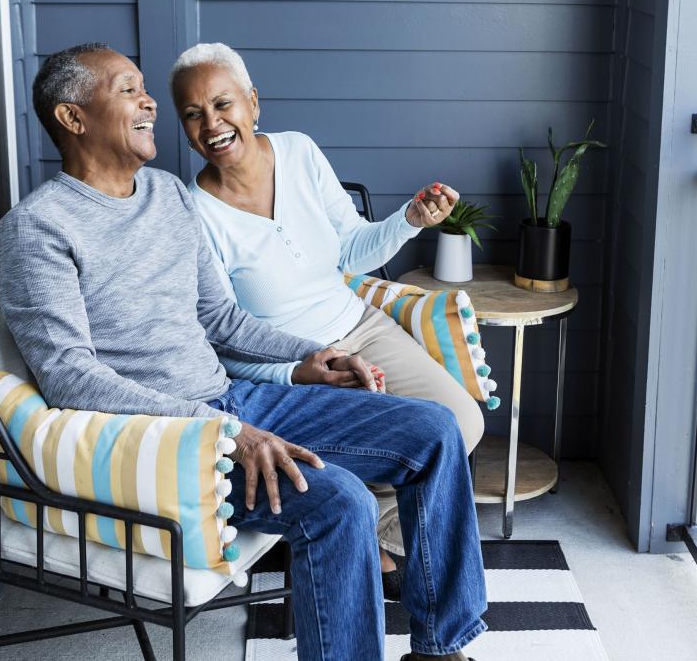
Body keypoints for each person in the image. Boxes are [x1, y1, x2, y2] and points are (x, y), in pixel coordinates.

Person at [0, 42, 486, 661]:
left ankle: (439, 650)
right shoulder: (38, 228)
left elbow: (221, 318)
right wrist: (225, 430)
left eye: (145, 88)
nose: (150, 102)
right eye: (127, 90)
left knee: (436, 430)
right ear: (73, 118)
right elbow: (70, 378)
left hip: (233, 402)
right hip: (168, 440)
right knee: (340, 504)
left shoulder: (167, 196)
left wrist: (317, 353)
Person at [170, 43, 485, 595]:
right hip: (292, 367)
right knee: (398, 450)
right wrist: (299, 369)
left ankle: (380, 541)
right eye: (194, 115)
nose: (212, 124)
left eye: (223, 105)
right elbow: (221, 338)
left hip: (360, 325)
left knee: (463, 423)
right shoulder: (192, 212)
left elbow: (350, 252)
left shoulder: (299, 152)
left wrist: (408, 220)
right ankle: (381, 550)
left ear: (253, 102)